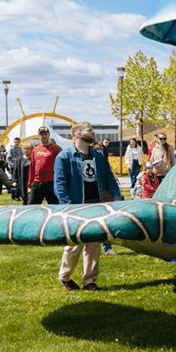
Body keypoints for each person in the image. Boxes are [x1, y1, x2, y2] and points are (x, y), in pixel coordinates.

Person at [53, 122, 122, 291]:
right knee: (73, 246)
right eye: (89, 130)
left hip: (96, 205)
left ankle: (89, 281)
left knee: (94, 245)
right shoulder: (64, 157)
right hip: (76, 207)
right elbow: (59, 184)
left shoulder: (97, 156)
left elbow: (109, 179)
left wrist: (116, 197)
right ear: (77, 134)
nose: (93, 132)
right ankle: (65, 277)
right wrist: (67, 207)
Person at [28, 126, 62, 205]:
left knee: (55, 207)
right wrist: (29, 184)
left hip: (50, 183)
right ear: (39, 136)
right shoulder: (35, 150)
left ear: (49, 135)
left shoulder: (56, 148)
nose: (44, 136)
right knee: (31, 207)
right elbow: (32, 167)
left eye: (46, 134)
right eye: (42, 134)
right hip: (37, 183)